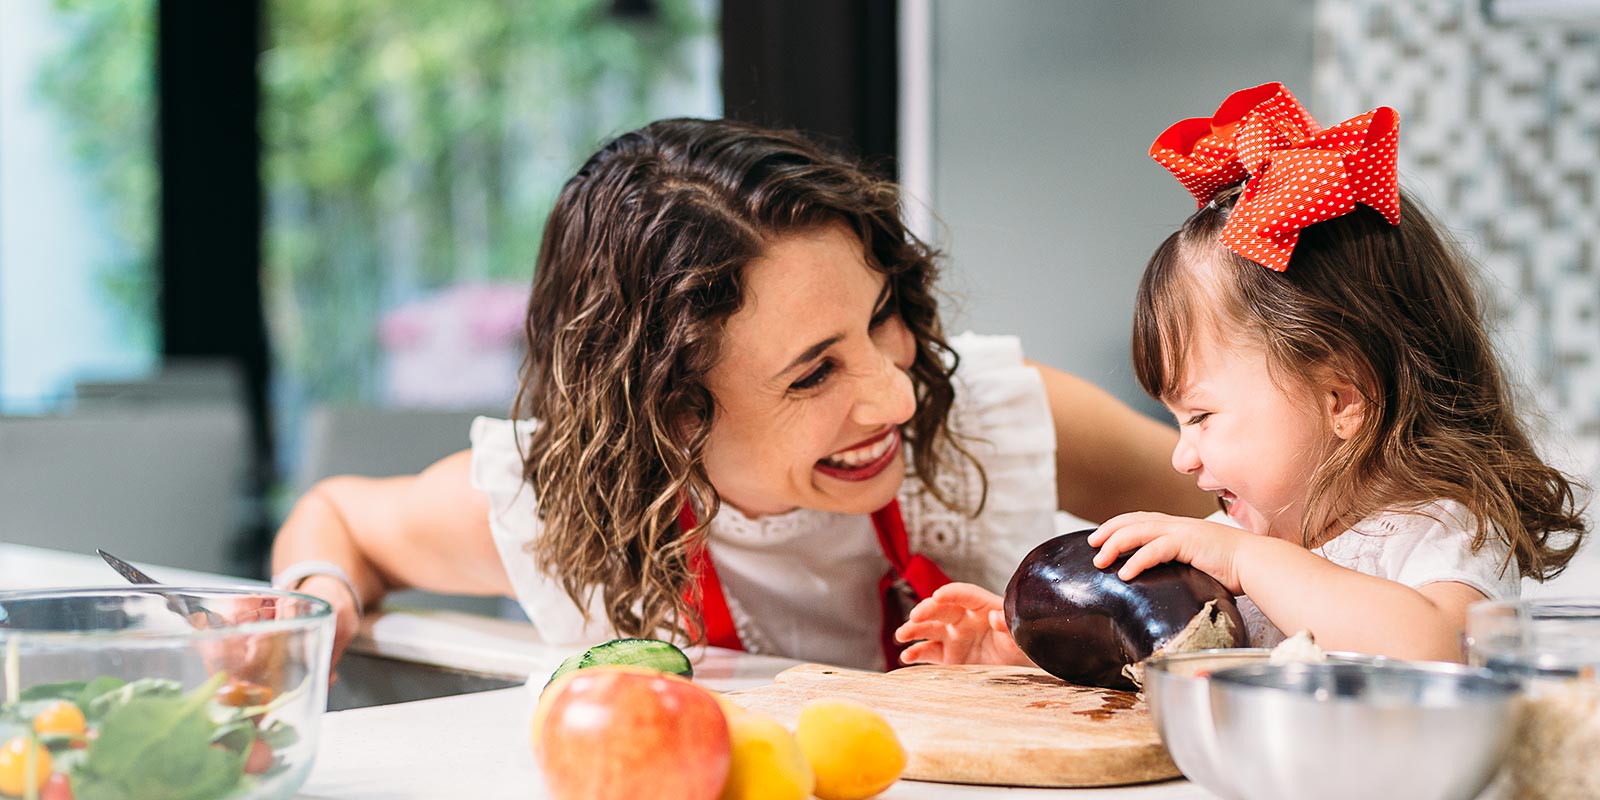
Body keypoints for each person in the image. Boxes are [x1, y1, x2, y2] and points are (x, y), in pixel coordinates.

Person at [270, 117, 1215, 672]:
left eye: (882, 317)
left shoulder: (994, 417)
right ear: (667, 410)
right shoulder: (554, 503)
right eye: (813, 373)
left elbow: (1287, 530)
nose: (893, 398)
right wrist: (313, 607)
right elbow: (339, 520)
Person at [895, 83, 1589, 666]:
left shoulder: (1442, 528)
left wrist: (1246, 562)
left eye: (1199, 415)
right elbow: (1173, 654)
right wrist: (1029, 645)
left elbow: (1438, 649)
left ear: (1342, 399)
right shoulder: (1260, 526)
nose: (1180, 453)